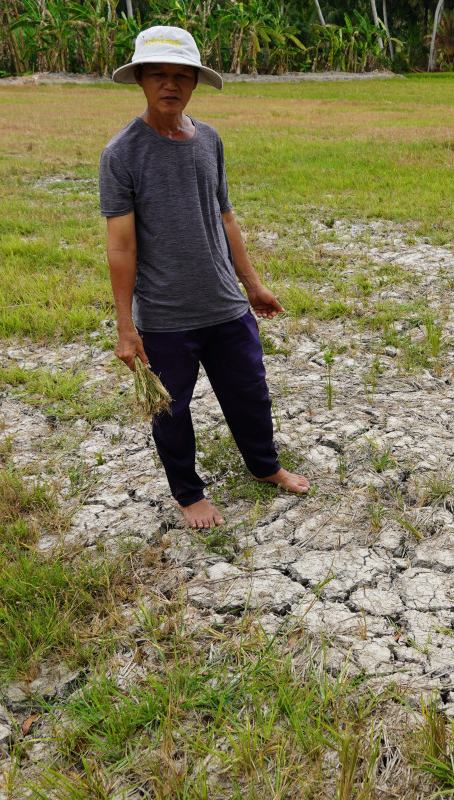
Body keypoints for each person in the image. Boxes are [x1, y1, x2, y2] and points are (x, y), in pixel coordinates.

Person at [99, 25, 309, 529]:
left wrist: (252, 284)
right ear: (141, 81)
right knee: (171, 411)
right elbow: (121, 245)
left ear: (194, 82)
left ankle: (264, 466)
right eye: (157, 75)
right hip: (167, 315)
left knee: (250, 392)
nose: (169, 85)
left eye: (180, 76)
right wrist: (126, 327)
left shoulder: (209, 140)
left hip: (225, 304)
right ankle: (188, 493)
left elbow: (225, 217)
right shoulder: (122, 154)